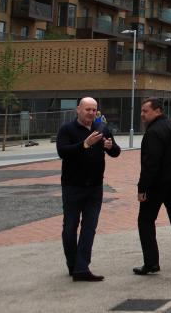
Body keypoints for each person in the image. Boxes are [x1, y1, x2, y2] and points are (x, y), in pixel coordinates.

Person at [56, 97, 121, 281]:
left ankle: (82, 268)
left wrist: (110, 146)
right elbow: (63, 152)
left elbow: (116, 152)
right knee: (70, 228)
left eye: (94, 110)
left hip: (95, 188)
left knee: (89, 227)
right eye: (87, 110)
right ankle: (73, 264)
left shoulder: (102, 129)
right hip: (72, 187)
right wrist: (85, 144)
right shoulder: (67, 130)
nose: (91, 113)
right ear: (78, 109)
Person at [134, 98, 171, 275]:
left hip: (157, 185)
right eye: (142, 111)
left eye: (146, 111)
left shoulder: (154, 132)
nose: (142, 114)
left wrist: (142, 188)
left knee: (145, 221)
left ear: (158, 111)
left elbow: (150, 164)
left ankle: (151, 262)